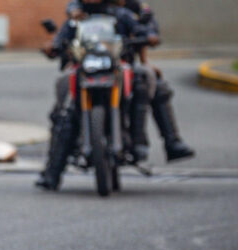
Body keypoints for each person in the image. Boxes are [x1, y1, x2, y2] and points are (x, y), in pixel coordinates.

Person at [36, 0, 151, 191]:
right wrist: (53, 46)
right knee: (65, 112)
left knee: (140, 89)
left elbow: (141, 32)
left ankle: (139, 143)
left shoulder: (120, 15)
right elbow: (60, 39)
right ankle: (52, 172)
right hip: (85, 70)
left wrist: (147, 36)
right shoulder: (76, 18)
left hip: (114, 69)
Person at [64, 0, 195, 162]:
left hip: (124, 63)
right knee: (64, 95)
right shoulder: (87, 8)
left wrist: (146, 54)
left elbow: (145, 27)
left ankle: (164, 142)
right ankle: (55, 167)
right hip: (89, 65)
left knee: (148, 80)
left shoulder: (131, 8)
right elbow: (71, 15)